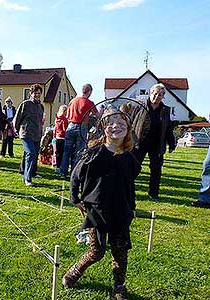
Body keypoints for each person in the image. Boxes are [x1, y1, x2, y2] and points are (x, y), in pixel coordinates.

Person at [62, 108, 141, 300]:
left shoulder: (130, 158)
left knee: (120, 250)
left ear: (128, 130)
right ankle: (73, 272)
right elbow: (75, 176)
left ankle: (119, 286)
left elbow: (130, 184)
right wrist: (76, 199)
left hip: (121, 211)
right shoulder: (93, 153)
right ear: (104, 129)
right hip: (97, 210)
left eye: (121, 124)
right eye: (111, 123)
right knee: (96, 252)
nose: (116, 126)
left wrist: (132, 207)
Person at [131, 83, 176, 200]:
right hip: (139, 142)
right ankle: (127, 190)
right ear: (150, 94)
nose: (157, 96)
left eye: (160, 95)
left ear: (163, 96)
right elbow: (131, 123)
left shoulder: (165, 110)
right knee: (133, 167)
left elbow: (168, 128)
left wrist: (172, 143)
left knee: (156, 170)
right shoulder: (139, 106)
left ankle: (153, 193)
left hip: (157, 144)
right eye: (155, 94)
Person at [60, 84, 98, 178]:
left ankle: (63, 172)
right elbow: (97, 115)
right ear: (89, 92)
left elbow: (67, 115)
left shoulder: (73, 101)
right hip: (82, 126)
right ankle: (74, 172)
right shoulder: (89, 102)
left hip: (71, 126)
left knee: (66, 151)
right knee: (79, 151)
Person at [14, 84, 44, 186]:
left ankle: (30, 172)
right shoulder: (25, 104)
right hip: (26, 133)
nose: (37, 95)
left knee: (33, 154)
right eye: (35, 93)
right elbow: (17, 118)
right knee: (31, 153)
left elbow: (40, 120)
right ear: (30, 93)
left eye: (39, 93)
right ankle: (27, 179)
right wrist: (17, 130)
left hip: (37, 134)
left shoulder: (41, 106)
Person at [54, 104, 68, 173]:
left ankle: (57, 166)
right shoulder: (64, 119)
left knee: (57, 153)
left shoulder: (57, 118)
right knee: (62, 153)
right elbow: (65, 129)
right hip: (63, 137)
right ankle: (61, 167)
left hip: (57, 137)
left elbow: (55, 128)